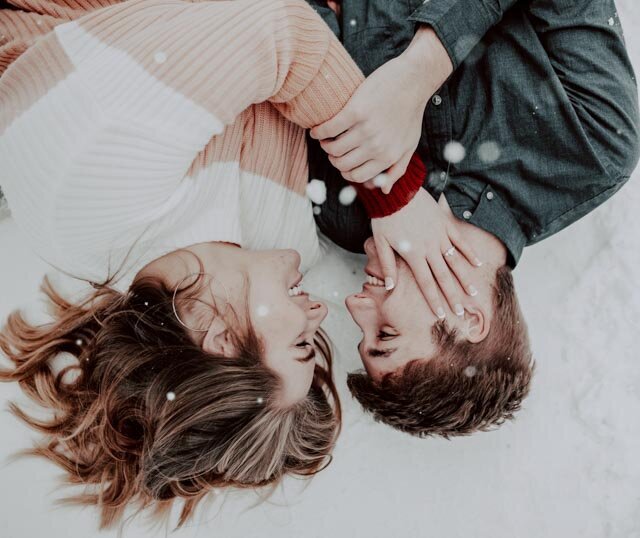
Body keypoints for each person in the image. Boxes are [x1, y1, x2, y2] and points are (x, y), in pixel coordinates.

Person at [0, 0, 444, 526]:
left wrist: (395, 194)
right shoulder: (271, 246)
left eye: (299, 343)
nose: (321, 316)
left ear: (214, 334)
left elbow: (282, 32)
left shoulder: (89, 185)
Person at [305, 0, 640, 437]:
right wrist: (419, 74)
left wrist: (387, 187)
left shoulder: (343, 214)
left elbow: (286, 27)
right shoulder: (594, 148)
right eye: (386, 334)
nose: (355, 305)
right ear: (468, 318)